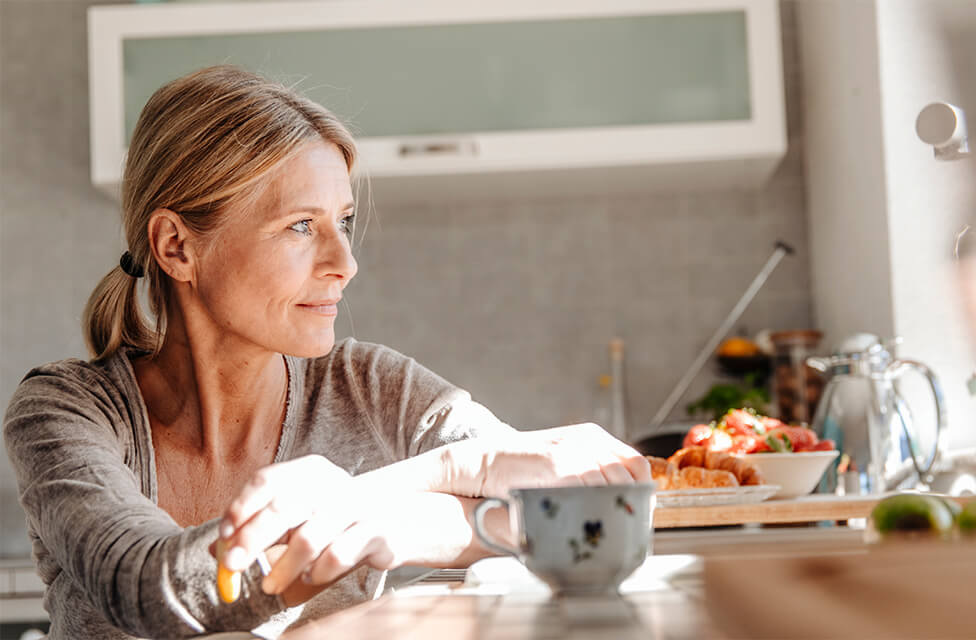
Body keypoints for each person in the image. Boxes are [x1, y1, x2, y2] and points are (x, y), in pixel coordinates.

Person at [2, 65, 649, 639]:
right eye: (300, 226)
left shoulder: (369, 385)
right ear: (177, 247)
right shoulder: (63, 411)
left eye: (341, 221)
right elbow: (151, 590)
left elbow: (561, 509)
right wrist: (441, 474)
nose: (346, 263)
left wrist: (387, 515)